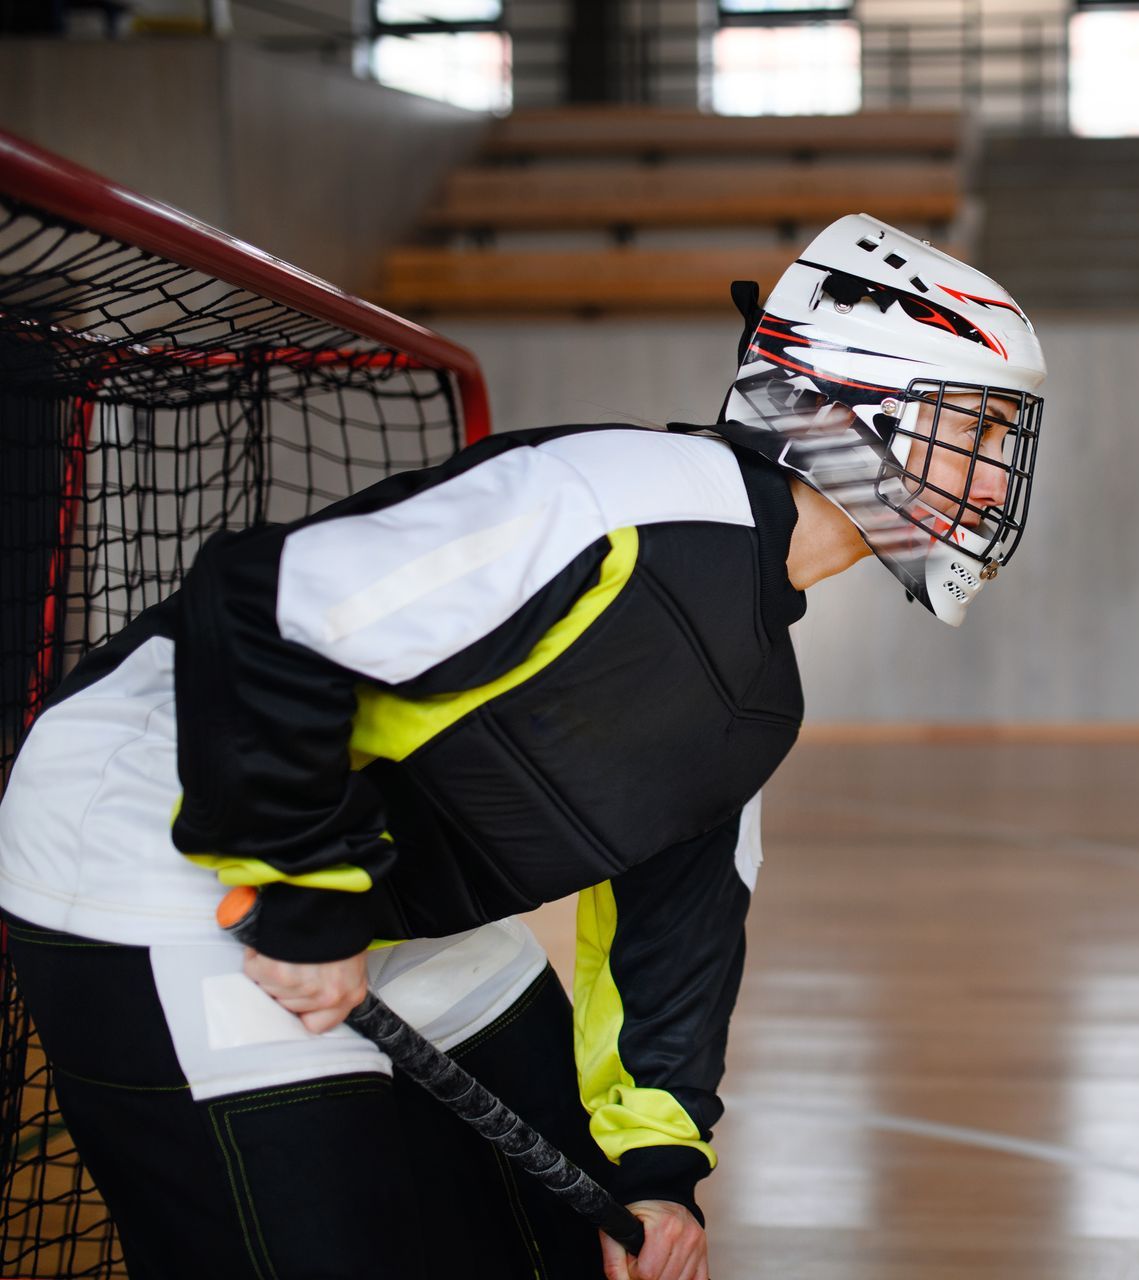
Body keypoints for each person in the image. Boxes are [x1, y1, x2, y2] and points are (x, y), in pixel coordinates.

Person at [0, 213, 1046, 1280]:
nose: (999, 477)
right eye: (980, 431)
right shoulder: (618, 498)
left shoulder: (757, 693)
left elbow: (670, 935)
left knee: (565, 1242)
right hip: (153, 833)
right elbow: (265, 604)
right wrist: (308, 889)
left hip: (365, 879)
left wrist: (654, 1166)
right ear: (848, 402)